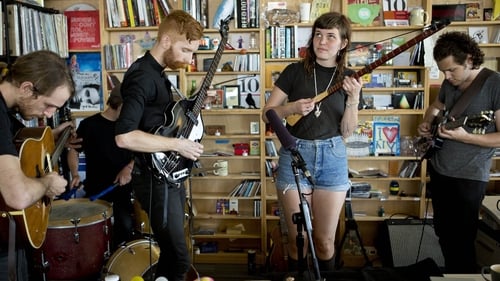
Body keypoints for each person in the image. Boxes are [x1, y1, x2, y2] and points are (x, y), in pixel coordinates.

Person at [262, 12, 362, 275]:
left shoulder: (350, 77)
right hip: (295, 154)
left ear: (343, 43)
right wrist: (292, 107)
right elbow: (268, 112)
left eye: (331, 36)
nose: (322, 41)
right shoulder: (295, 71)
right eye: (318, 34)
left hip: (332, 156)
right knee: (298, 241)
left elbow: (347, 131)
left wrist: (353, 99)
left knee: (324, 241)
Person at [114, 10, 204, 281]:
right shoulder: (143, 77)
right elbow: (124, 136)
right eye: (186, 50)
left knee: (170, 253)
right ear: (166, 40)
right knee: (179, 258)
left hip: (166, 175)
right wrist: (178, 144)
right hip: (153, 181)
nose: (189, 60)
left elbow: (155, 123)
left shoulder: (158, 73)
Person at [417, 31, 500, 274]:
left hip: (469, 175)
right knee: (443, 232)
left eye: (452, 70)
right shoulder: (449, 83)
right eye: (443, 71)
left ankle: (463, 276)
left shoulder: (494, 85)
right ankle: (453, 274)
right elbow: (435, 107)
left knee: (462, 239)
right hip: (441, 168)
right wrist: (426, 122)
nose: (447, 76)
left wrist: (467, 137)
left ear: (470, 59)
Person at [0, 50, 75, 281]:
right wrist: (47, 183)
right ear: (26, 88)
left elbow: (17, 140)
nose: (50, 113)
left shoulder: (5, 112)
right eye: (48, 105)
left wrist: (53, 135)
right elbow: (18, 196)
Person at [67, 82, 135, 250]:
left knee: (125, 229)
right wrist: (75, 173)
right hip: (95, 191)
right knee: (92, 239)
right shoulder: (89, 125)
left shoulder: (130, 126)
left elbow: (142, 153)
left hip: (123, 193)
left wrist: (129, 168)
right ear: (120, 105)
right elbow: (73, 151)